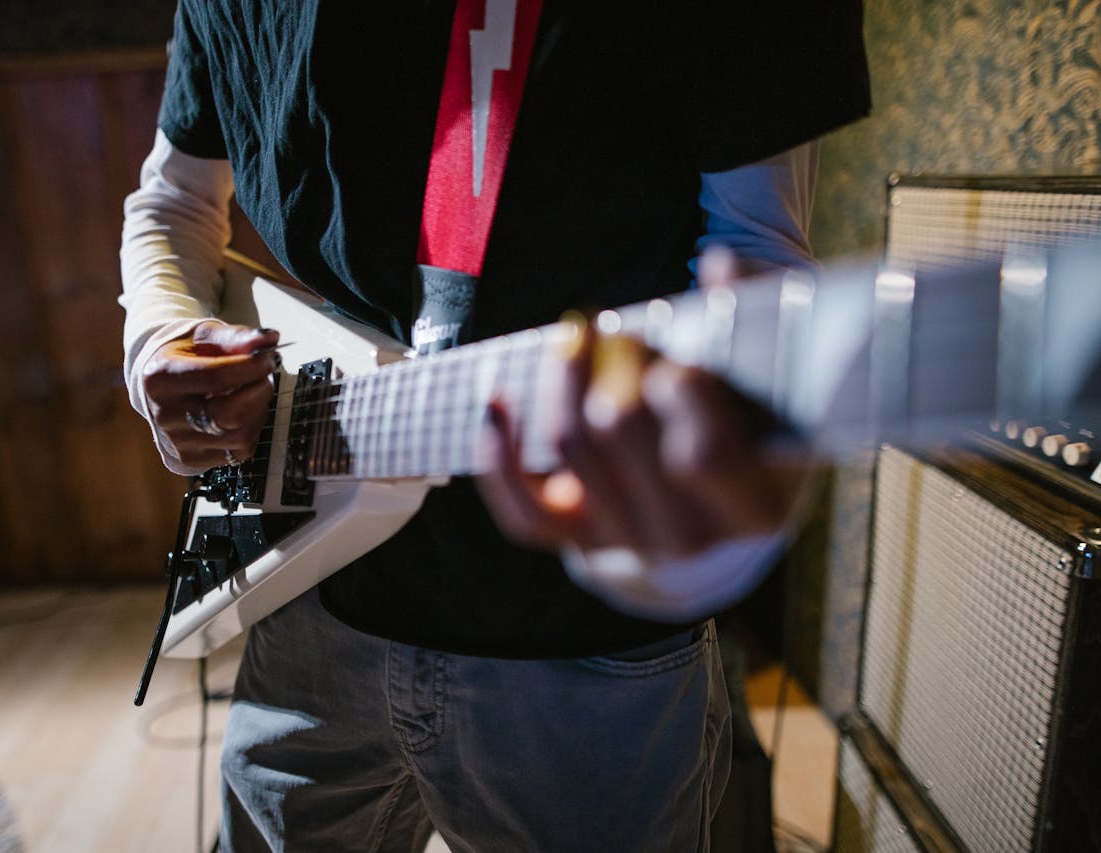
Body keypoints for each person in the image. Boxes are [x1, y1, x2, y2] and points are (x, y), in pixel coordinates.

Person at [120, 3, 870, 850]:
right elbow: (175, 196)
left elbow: (758, 252)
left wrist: (707, 510)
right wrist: (159, 339)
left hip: (583, 640)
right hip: (308, 597)